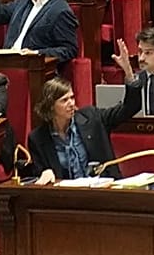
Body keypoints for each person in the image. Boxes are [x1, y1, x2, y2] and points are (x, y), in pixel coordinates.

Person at [22, 42, 143, 183]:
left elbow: (130, 108)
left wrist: (128, 72)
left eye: (72, 98)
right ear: (50, 106)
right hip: (65, 198)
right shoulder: (38, 138)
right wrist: (45, 173)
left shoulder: (92, 118)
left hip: (103, 191)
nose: (71, 103)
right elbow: (39, 176)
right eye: (64, 100)